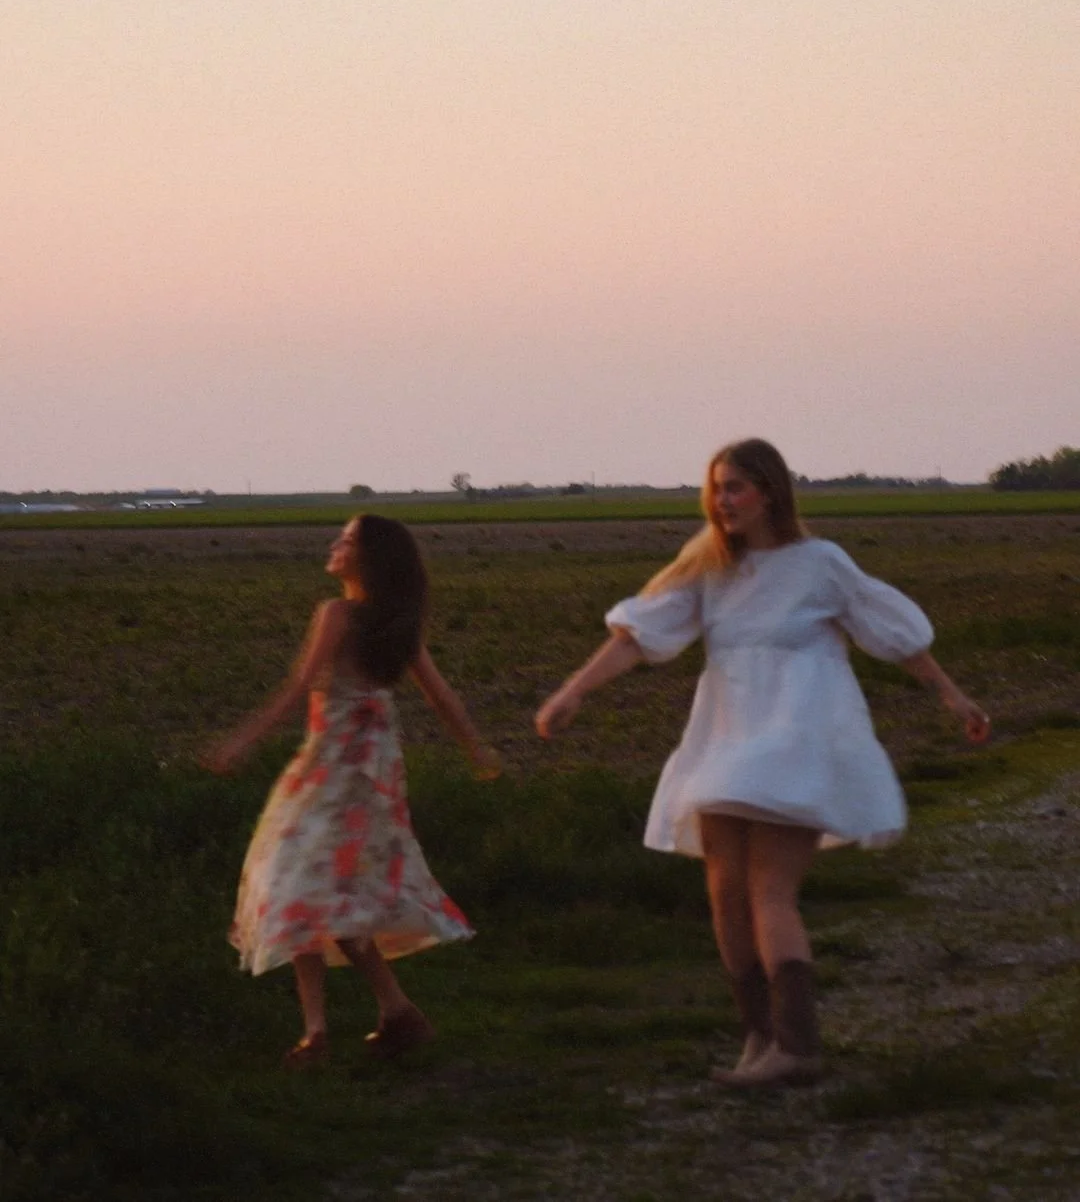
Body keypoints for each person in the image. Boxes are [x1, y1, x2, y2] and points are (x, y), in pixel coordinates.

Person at [535, 438, 990, 1088]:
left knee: (769, 893)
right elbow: (637, 638)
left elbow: (892, 636)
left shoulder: (820, 563)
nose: (722, 502)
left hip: (799, 738)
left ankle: (798, 1047)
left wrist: (952, 695)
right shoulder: (709, 566)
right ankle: (760, 1035)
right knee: (725, 894)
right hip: (727, 736)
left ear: (770, 492)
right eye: (716, 489)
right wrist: (572, 692)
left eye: (735, 488)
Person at [204, 514, 501, 1068]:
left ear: (368, 558)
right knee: (321, 893)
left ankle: (335, 1029)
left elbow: (300, 684)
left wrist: (243, 740)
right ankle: (379, 1018)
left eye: (346, 541)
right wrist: (475, 748)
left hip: (331, 774)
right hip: (370, 777)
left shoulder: (338, 614)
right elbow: (441, 696)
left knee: (302, 886)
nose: (334, 546)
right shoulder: (393, 624)